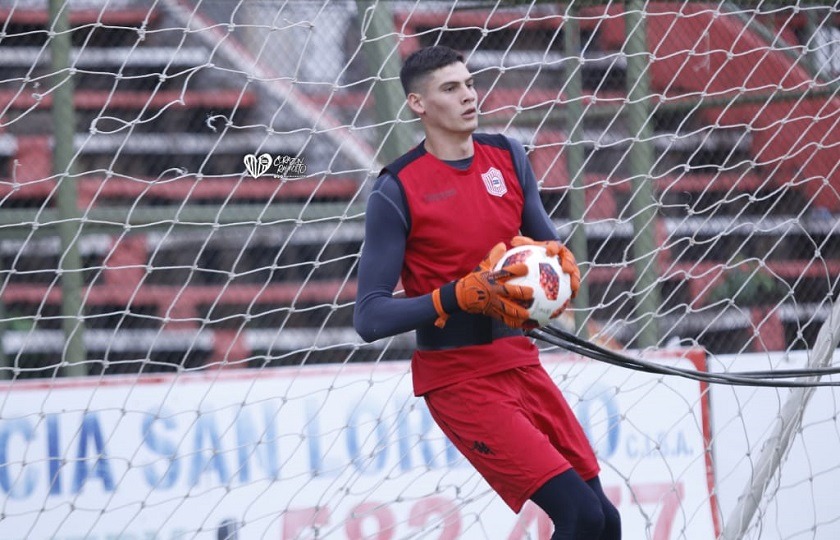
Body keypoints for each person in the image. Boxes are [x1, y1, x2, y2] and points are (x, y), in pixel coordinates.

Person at [353, 45, 621, 540]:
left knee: (605, 520)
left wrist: (558, 269)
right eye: (450, 88)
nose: (468, 96)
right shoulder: (396, 189)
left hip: (520, 359)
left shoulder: (510, 156)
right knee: (579, 518)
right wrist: (456, 295)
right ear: (418, 104)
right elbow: (369, 318)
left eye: (470, 83)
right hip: (460, 379)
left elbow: (545, 243)